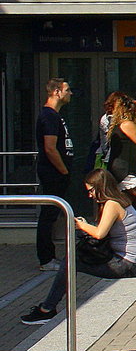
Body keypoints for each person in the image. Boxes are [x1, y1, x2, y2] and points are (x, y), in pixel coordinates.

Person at [20, 169, 136, 325]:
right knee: (73, 258)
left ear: (101, 186)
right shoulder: (118, 200)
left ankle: (47, 309)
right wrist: (85, 226)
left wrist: (81, 225)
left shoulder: (112, 205)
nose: (90, 195)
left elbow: (100, 234)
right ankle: (50, 306)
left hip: (127, 265)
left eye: (91, 190)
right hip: (129, 261)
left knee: (70, 262)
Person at [35, 79, 74, 271]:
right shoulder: (49, 116)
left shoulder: (56, 116)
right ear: (57, 92)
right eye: (67, 90)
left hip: (57, 171)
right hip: (52, 172)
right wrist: (63, 170)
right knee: (49, 213)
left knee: (53, 213)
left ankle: (49, 256)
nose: (70, 93)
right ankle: (46, 258)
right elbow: (50, 148)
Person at [104, 92, 136, 232]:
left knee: (134, 203)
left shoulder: (118, 124)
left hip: (121, 169)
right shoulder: (127, 124)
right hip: (125, 171)